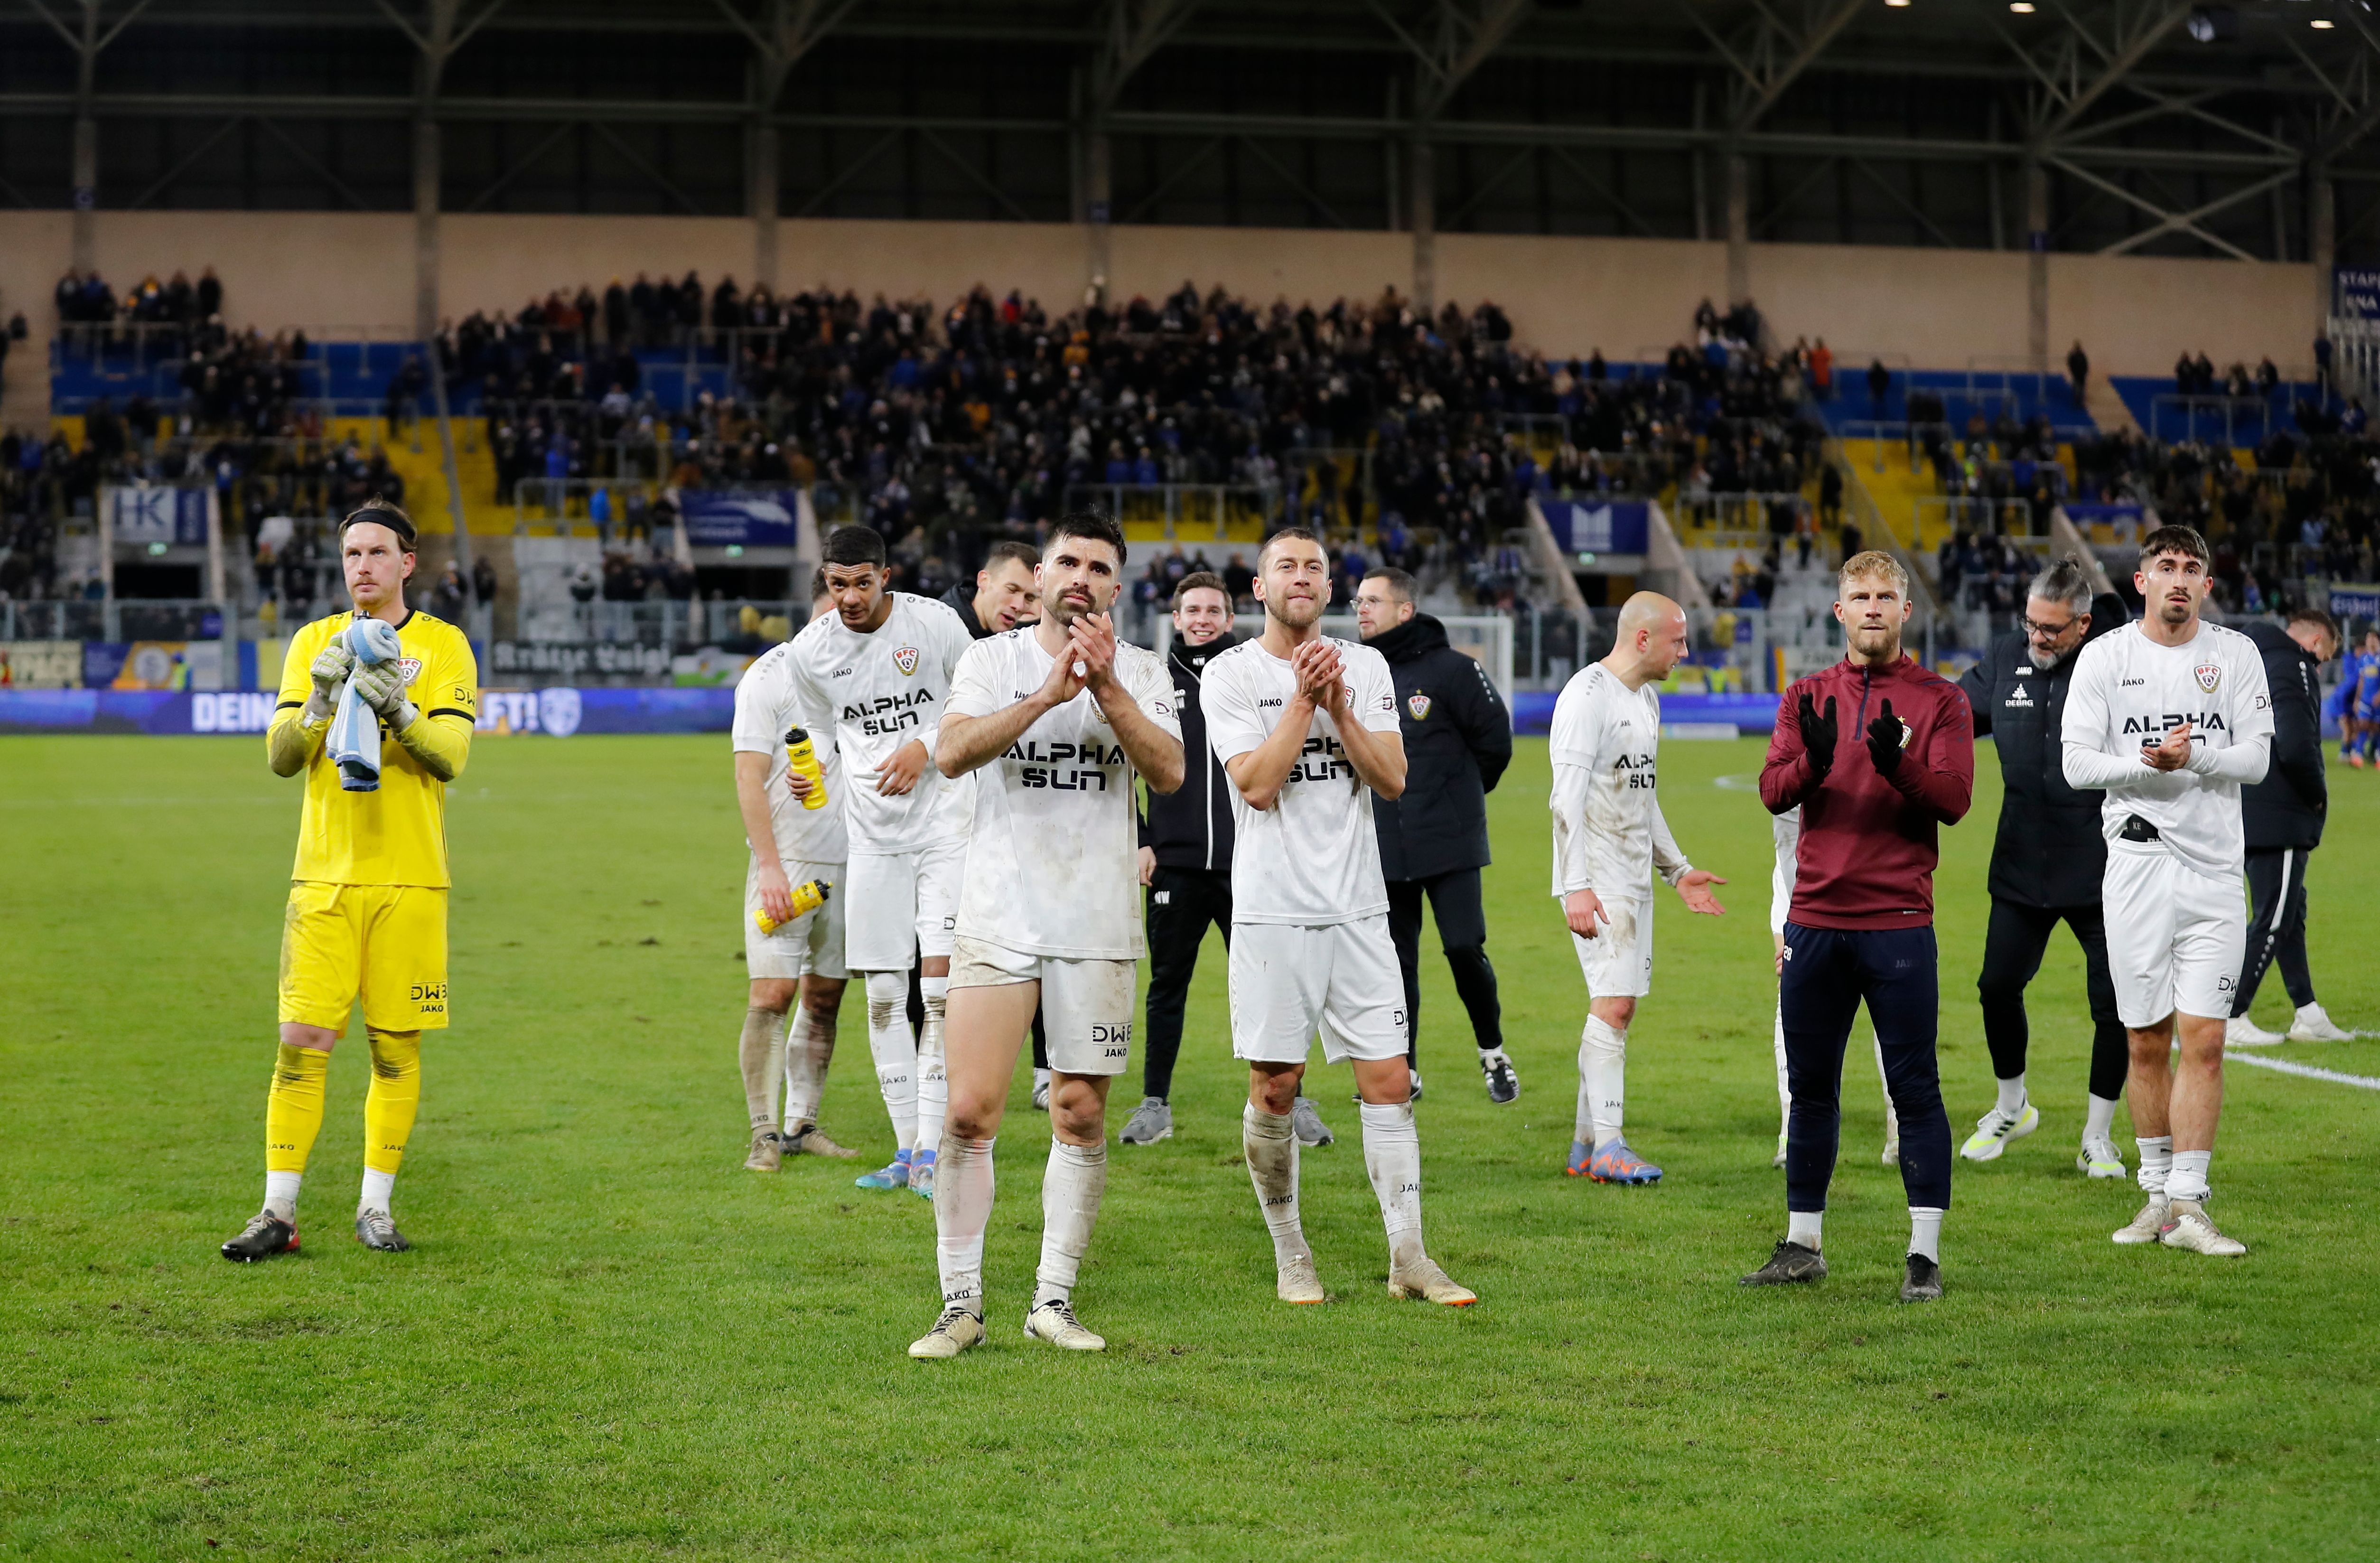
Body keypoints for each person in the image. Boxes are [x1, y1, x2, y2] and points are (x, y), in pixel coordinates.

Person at [907, 514, 1184, 1359]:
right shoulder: (994, 659)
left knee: (1079, 1110)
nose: (1082, 576)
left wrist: (1104, 689)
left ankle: (1051, 1299)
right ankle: (961, 1304)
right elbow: (951, 753)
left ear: (1115, 586)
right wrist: (1045, 697)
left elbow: (1169, 772)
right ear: (1045, 571)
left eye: (1101, 566)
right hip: (997, 911)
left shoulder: (1138, 669)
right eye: (1069, 560)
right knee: (968, 1109)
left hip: (1097, 922)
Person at [1201, 527, 1473, 1307]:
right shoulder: (1230, 673)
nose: (1300, 576)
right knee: (1277, 1085)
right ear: (1259, 588)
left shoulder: (1367, 663)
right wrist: (1302, 700)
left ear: (1328, 587)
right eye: (1285, 566)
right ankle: (1292, 1251)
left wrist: (1342, 706)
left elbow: (1391, 778)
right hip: (1271, 911)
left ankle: (1410, 1257)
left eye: (1313, 567)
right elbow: (1254, 783)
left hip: (1359, 908)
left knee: (1389, 1079)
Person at [220, 500, 479, 1261]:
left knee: (395, 1050)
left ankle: (375, 1207)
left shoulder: (443, 646)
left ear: (408, 562)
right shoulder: (313, 643)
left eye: (376, 553)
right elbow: (280, 755)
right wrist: (324, 701)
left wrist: (396, 705)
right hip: (323, 879)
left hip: (410, 881)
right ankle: (277, 1212)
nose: (361, 566)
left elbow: (451, 755)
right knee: (300, 1043)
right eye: (350, 555)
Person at [1748, 551, 1973, 1302]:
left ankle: (1923, 1256)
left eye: (1884, 595)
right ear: (1838, 611)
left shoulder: (1940, 699)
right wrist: (1812, 764)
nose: (1871, 606)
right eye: (1858, 595)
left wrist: (1896, 766)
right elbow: (1771, 789)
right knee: (1811, 1089)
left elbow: (1951, 798)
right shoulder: (1806, 695)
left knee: (1914, 1088)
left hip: (1897, 922)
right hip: (1812, 918)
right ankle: (1801, 1244)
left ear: (1905, 611)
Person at [2061, 525, 2271, 1257]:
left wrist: (2195, 754)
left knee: (2204, 1039)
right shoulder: (2104, 658)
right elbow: (2076, 766)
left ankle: (2189, 1202)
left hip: (2214, 874)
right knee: (2144, 1040)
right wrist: (2146, 765)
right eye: (2164, 567)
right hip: (2135, 870)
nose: (2177, 579)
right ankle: (2154, 1196)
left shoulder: (2235, 655)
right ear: (2140, 579)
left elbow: (2254, 760)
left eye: (2190, 568)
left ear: (2206, 585)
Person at [782, 525, 974, 1199]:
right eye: (839, 584)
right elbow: (818, 734)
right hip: (872, 840)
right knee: (884, 993)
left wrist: (924, 745)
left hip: (947, 828)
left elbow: (973, 702)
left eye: (863, 581)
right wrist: (813, 776)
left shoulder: (937, 625)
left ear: (886, 575)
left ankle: (934, 1148)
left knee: (940, 991)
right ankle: (905, 1151)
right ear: (826, 582)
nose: (851, 596)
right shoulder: (810, 651)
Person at [1952, 561, 2135, 1177]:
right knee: (1995, 987)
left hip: (2102, 866)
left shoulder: (2116, 661)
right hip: (2020, 863)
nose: (2037, 637)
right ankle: (2011, 1106)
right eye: (2030, 624)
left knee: (2111, 1006)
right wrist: (1885, 735)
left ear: (2082, 623)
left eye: (2051, 629)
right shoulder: (2008, 655)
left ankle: (2097, 1136)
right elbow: (1945, 713)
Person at [1547, 593, 1729, 1183]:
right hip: (1597, 880)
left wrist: (1676, 870)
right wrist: (1574, 886)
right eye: (1677, 640)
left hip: (1630, 877)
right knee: (1615, 1005)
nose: (1685, 651)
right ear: (1643, 639)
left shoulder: (1645, 699)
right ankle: (1609, 1145)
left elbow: (1642, 795)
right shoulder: (1586, 696)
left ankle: (1583, 1147)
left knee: (1613, 1003)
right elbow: (1564, 799)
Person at [1354, 566, 1518, 1104]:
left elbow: (1496, 744)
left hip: (1449, 842)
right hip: (1384, 843)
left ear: (1405, 610)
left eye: (1373, 601)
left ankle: (1492, 1052)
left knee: (1463, 946)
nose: (1362, 609)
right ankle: (1406, 1069)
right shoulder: (1358, 672)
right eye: (1359, 601)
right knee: (1394, 963)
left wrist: (1459, 798)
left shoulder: (1453, 669)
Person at [1121, 571, 1254, 1147]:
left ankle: (1290, 1102)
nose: (1201, 619)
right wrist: (1143, 838)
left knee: (1266, 984)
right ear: (1175, 618)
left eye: (1212, 610)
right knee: (1166, 984)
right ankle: (1155, 1104)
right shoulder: (1153, 679)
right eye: (1191, 610)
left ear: (1228, 618)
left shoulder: (1249, 676)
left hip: (1248, 861)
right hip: (1174, 863)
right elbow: (1122, 764)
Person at [729, 576, 858, 1172]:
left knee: (826, 995)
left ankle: (801, 1122)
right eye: (839, 603)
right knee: (772, 993)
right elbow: (748, 776)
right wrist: (773, 868)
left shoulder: (867, 672)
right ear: (821, 604)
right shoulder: (770, 674)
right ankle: (762, 1133)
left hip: (855, 860)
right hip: (790, 861)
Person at [939, 539, 1060, 1106]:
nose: (1021, 604)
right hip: (932, 826)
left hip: (1006, 822)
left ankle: (1042, 1068)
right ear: (982, 581)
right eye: (1012, 590)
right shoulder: (943, 635)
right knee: (933, 960)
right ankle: (938, 1083)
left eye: (1032, 597)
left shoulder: (1033, 648)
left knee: (1038, 940)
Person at [2227, 608, 2352, 1046]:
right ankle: (2231, 1013)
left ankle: (2306, 1010)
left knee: (2289, 911)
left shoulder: (2249, 658)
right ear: (2316, 642)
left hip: (2246, 804)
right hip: (2277, 812)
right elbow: (2297, 743)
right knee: (2273, 916)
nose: (2318, 665)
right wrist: (2317, 793)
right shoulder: (2294, 664)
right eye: (2322, 658)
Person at [1766, 805, 1898, 1170]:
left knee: (1892, 1004)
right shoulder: (1799, 770)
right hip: (1809, 902)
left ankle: (1901, 1127)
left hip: (1882, 893)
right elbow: (1786, 836)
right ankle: (1792, 1131)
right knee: (1792, 999)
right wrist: (1786, 930)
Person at [2348, 630, 2380, 768]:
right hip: (2366, 700)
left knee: (2378, 727)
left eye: (2373, 638)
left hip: (2378, 699)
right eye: (2368, 638)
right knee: (2362, 725)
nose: (2370, 641)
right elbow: (2361, 680)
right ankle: (2358, 755)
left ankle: (2378, 756)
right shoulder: (2364, 659)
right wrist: (2357, 699)